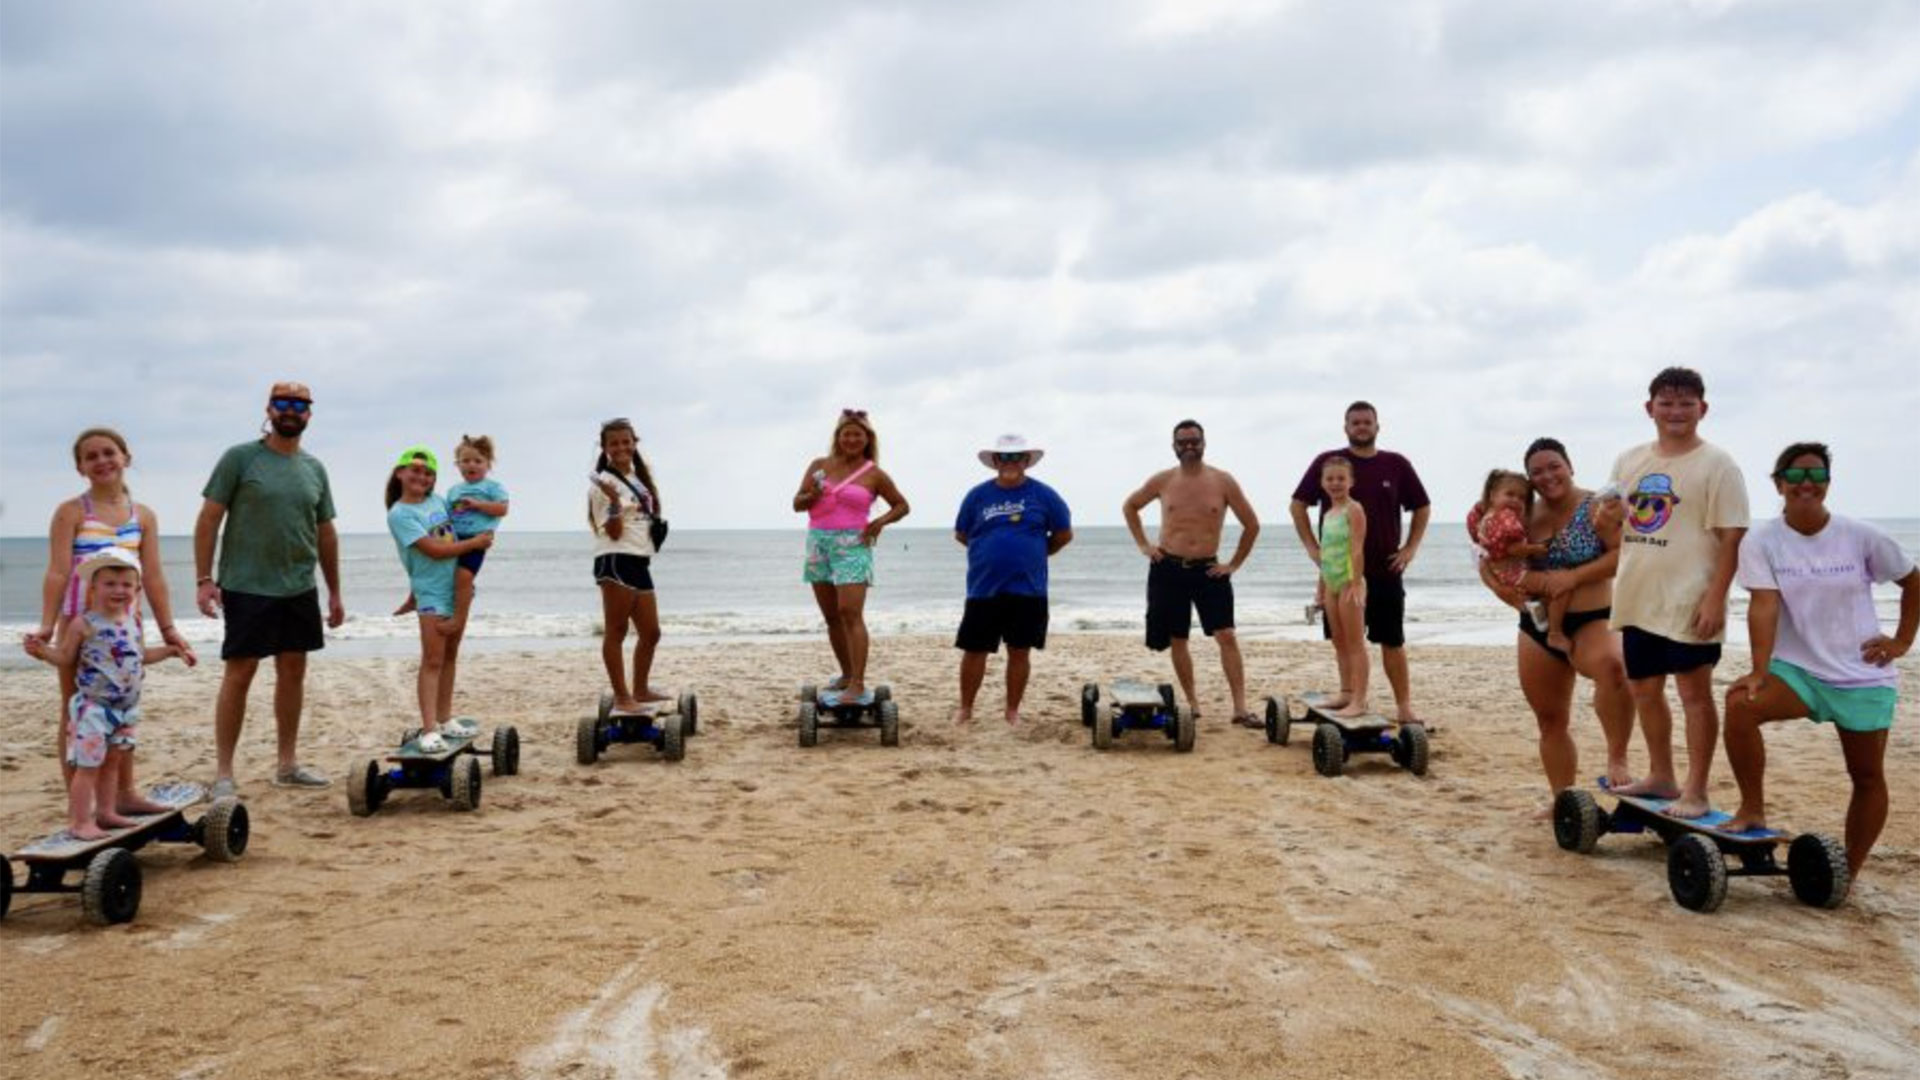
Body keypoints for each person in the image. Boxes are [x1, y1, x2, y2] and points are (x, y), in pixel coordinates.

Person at [1722, 442, 1917, 878]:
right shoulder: (1763, 540)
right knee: (1739, 704)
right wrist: (1758, 670)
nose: (1805, 484)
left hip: (1862, 675)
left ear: (1828, 483)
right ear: (1778, 484)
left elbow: (1913, 580)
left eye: (1815, 475)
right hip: (1799, 672)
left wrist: (1902, 641)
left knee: (1866, 776)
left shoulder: (1862, 536)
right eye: (1794, 475)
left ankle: (1848, 869)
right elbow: (1764, 605)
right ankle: (1751, 809)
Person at [27, 427, 196, 811]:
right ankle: (80, 805)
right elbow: (57, 572)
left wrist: (168, 628)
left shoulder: (144, 516)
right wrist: (47, 626)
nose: (102, 461)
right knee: (77, 707)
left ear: (126, 458)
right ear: (80, 468)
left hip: (126, 626)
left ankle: (124, 794)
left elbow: (152, 576)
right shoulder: (71, 512)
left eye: (109, 453)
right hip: (80, 623)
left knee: (122, 704)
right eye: (91, 457)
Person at [1606, 367, 1748, 818]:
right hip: (1637, 596)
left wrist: (1715, 598)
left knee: (1694, 697)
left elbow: (1732, 538)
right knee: (1644, 691)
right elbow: (1613, 528)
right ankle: (1662, 775)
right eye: (1666, 403)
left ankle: (1697, 790)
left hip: (1691, 599)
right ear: (1649, 409)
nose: (1676, 412)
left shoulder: (1718, 464)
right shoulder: (1629, 460)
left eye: (1686, 403)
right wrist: (1605, 517)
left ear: (1702, 409)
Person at [195, 381, 344, 797]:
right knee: (240, 672)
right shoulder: (240, 459)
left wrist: (334, 591)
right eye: (283, 403)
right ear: (270, 409)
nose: (291, 410)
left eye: (300, 404)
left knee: (293, 670)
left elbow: (325, 532)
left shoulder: (314, 468)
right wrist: (204, 580)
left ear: (309, 413)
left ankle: (287, 764)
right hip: (246, 585)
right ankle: (223, 773)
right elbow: (208, 520)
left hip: (298, 585)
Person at [1480, 438, 1637, 814]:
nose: (1547, 475)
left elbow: (1621, 557)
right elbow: (1489, 561)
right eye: (1538, 471)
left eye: (1554, 466)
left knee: (1615, 670)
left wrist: (1573, 577)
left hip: (1593, 618)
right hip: (1536, 626)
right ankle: (1562, 799)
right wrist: (1506, 593)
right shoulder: (1519, 516)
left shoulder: (1598, 505)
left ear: (1570, 466)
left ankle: (1618, 759)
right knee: (1551, 720)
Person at [23, 548, 188, 839]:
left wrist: (171, 651)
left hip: (125, 709)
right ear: (93, 587)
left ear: (137, 589)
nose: (119, 590)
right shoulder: (84, 623)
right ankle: (79, 822)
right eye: (110, 583)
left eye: (126, 584)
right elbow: (64, 658)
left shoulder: (132, 622)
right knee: (87, 767)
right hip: (94, 709)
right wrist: (41, 652)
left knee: (112, 763)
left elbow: (140, 656)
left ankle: (107, 812)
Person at [1289, 401, 1432, 727]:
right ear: (1346, 427)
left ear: (1377, 426)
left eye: (1367, 422)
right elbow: (1298, 505)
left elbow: (1422, 507)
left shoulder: (1395, 464)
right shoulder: (1328, 465)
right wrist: (1313, 548)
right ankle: (1349, 692)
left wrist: (1410, 547)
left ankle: (1404, 706)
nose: (1361, 427)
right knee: (1343, 640)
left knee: (1392, 641)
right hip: (1338, 574)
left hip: (1384, 570)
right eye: (1355, 422)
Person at [1122, 419, 1260, 724]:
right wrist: (1144, 545)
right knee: (1177, 638)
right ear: (1174, 446)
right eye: (1182, 442)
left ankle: (1240, 708)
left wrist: (1233, 564)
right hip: (1168, 568)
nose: (1188, 446)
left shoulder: (1223, 481)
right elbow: (1130, 506)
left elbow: (1252, 525)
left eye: (1194, 441)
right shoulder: (1163, 480)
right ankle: (1193, 703)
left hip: (1209, 570)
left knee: (1226, 635)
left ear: (1204, 442)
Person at [791, 409, 910, 704]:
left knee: (850, 613)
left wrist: (880, 522)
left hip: (853, 543)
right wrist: (812, 495)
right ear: (838, 437)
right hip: (818, 542)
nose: (852, 439)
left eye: (858, 434)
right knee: (831, 616)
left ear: (867, 438)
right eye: (847, 434)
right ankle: (845, 675)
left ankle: (857, 683)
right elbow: (797, 503)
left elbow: (902, 505)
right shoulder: (820, 466)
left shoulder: (874, 473)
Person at [952, 434, 1073, 725]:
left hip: (1028, 589)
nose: (1010, 462)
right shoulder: (977, 496)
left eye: (1016, 456)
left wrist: (1035, 555)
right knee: (974, 650)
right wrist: (989, 553)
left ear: (1026, 461)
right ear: (995, 461)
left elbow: (1063, 534)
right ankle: (966, 708)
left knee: (1019, 651)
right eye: (1004, 457)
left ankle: (1012, 711)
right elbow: (961, 533)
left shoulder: (1044, 495)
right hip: (983, 588)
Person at [386, 446, 492, 752]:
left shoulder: (438, 501)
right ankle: (430, 728)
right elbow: (432, 551)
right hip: (432, 595)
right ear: (400, 473)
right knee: (432, 659)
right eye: (415, 470)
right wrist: (475, 543)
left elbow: (458, 530)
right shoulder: (400, 513)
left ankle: (445, 719)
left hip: (457, 590)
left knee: (450, 656)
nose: (421, 476)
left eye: (428, 472)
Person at [590, 418, 671, 713]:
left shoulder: (638, 479)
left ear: (635, 442)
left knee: (651, 632)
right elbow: (612, 531)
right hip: (615, 558)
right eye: (614, 443)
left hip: (639, 559)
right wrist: (613, 502)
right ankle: (623, 696)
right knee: (617, 631)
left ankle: (640, 688)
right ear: (605, 447)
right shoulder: (603, 484)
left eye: (626, 441)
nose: (621, 447)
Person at [397, 434, 508, 634]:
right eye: (465, 461)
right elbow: (445, 514)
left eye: (478, 461)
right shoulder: (454, 490)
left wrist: (479, 505)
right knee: (435, 570)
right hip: (455, 537)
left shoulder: (493, 487)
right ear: (457, 464)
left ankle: (458, 618)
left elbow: (502, 509)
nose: (471, 465)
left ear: (488, 464)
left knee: (464, 578)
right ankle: (413, 598)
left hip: (477, 540)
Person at [1470, 469, 1561, 651]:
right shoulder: (1504, 518)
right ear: (1493, 495)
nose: (1515, 501)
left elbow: (1485, 554)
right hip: (1516, 572)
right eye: (1509, 494)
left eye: (1521, 498)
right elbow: (1513, 549)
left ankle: (1534, 611)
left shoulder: (1486, 518)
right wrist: (1537, 549)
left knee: (1535, 596)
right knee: (1557, 588)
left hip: (1506, 574)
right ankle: (1552, 629)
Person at [1312, 457, 1370, 718]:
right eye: (1330, 479)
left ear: (1351, 482)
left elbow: (1357, 549)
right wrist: (1320, 589)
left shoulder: (1353, 509)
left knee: (1355, 643)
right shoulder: (1327, 513)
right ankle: (1346, 693)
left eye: (1341, 478)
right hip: (1331, 584)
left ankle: (1359, 700)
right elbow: (1325, 554)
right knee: (1339, 642)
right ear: (1323, 483)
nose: (1335, 483)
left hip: (1349, 583)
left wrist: (1356, 584)